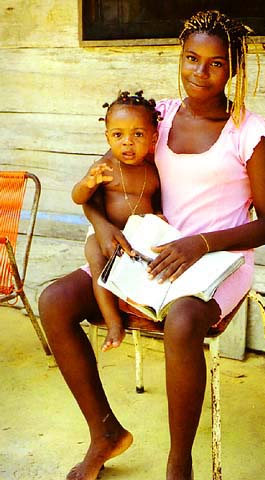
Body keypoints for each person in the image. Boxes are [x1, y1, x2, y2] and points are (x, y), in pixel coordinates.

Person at [38, 9, 265, 480]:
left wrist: (200, 243)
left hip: (218, 258)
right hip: (152, 250)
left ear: (233, 67)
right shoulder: (158, 117)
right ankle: (105, 432)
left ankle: (178, 465)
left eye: (215, 63)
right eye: (192, 59)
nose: (200, 72)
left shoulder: (249, 134)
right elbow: (102, 178)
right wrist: (101, 224)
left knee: (184, 321)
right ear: (180, 58)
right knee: (55, 301)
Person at [71, 90, 161, 351]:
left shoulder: (153, 170)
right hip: (104, 235)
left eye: (138, 135)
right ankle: (113, 322)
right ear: (107, 136)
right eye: (118, 135)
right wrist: (88, 183)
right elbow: (79, 198)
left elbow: (156, 201)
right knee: (97, 261)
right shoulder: (105, 166)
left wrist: (158, 216)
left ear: (153, 137)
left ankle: (145, 307)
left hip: (137, 236)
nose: (128, 143)